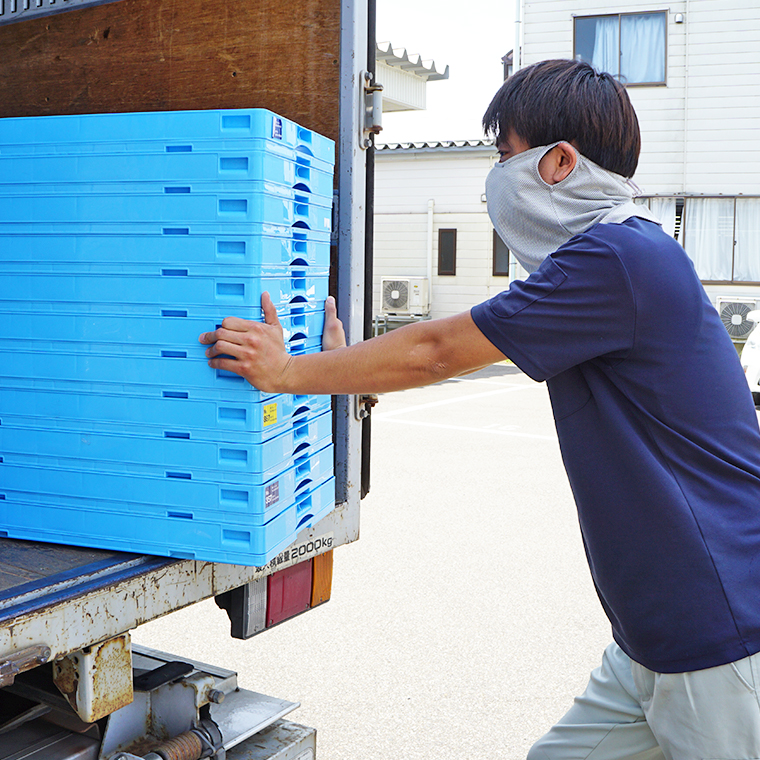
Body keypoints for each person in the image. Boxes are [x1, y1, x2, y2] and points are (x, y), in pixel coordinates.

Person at [200, 59, 760, 760]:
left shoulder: (618, 256)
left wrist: (287, 372)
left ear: (558, 163)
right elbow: (454, 352)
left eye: (504, 156)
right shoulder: (612, 260)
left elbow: (437, 348)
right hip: (651, 640)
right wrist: (335, 374)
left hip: (722, 633)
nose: (494, 177)